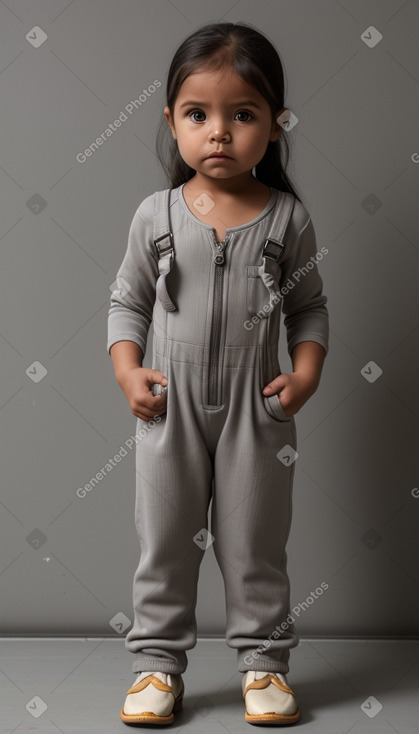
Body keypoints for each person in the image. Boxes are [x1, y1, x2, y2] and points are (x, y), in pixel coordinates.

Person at [108, 20, 329, 727]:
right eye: (198, 115)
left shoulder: (286, 219)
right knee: (165, 541)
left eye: (242, 115)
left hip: (253, 411)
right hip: (166, 405)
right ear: (171, 121)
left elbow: (310, 308)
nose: (219, 134)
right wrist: (128, 372)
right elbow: (126, 303)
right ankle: (154, 669)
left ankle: (263, 664)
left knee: (254, 542)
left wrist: (303, 375)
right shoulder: (155, 215)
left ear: (274, 124)